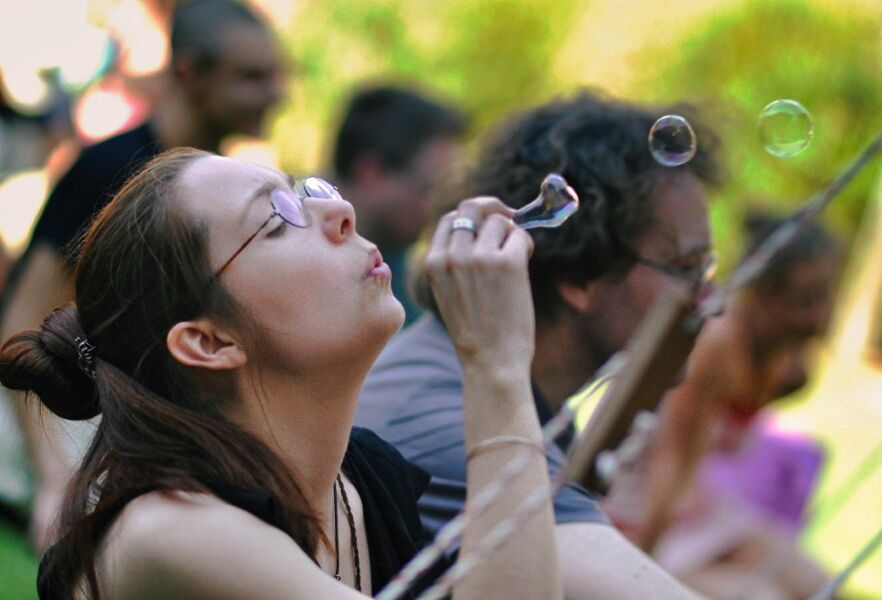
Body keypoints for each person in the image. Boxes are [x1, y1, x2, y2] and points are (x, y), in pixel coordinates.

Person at [0, 148, 561, 599]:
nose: (342, 214)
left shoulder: (368, 483)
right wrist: (497, 364)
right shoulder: (170, 531)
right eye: (280, 220)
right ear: (209, 341)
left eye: (306, 193)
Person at [355, 92, 722, 598]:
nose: (714, 302)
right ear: (580, 276)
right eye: (687, 269)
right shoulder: (459, 420)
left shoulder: (496, 394)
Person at [0, 0, 285, 551]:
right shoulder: (116, 171)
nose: (276, 93)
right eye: (251, 77)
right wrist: (57, 481)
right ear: (188, 74)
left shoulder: (213, 182)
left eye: (276, 75)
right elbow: (21, 325)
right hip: (47, 425)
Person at [605, 214, 839, 599]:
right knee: (763, 596)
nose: (819, 317)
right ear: (761, 291)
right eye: (804, 301)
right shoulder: (716, 345)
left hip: (699, 505)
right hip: (642, 515)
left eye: (826, 297)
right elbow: (672, 462)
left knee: (821, 586)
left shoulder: (780, 358)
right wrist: (636, 574)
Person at [331, 85, 466, 325]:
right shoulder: (289, 265)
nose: (443, 210)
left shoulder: (394, 270)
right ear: (370, 173)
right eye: (430, 190)